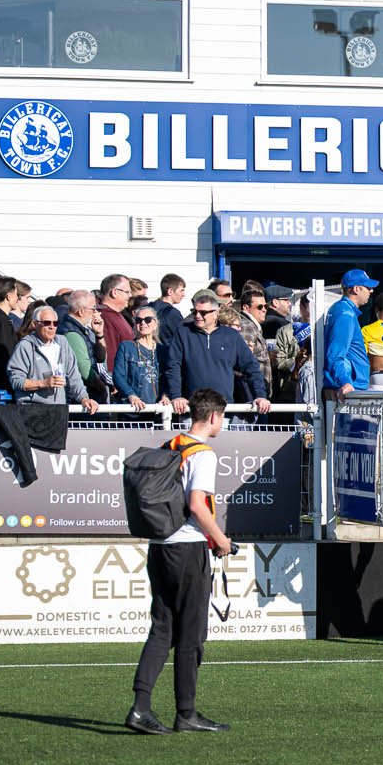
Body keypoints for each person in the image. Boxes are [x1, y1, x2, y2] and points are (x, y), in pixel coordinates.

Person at [128, 389, 238, 735]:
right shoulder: (202, 454)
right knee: (191, 634)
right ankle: (186, 712)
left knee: (162, 628)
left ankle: (140, 707)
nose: (223, 423)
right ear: (214, 417)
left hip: (160, 545)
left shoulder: (171, 445)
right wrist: (221, 540)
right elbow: (196, 505)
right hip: (187, 548)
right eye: (223, 417)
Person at [161, 291, 270, 409]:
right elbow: (173, 366)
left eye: (203, 313)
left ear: (215, 314)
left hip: (223, 406)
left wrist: (260, 395)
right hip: (192, 407)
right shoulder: (183, 332)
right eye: (194, 312)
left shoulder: (231, 335)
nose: (197, 316)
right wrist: (176, 396)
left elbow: (251, 367)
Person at [9, 305, 100, 412]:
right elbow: (16, 380)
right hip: (32, 409)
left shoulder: (63, 342)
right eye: (47, 323)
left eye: (55, 323)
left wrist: (84, 399)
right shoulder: (25, 346)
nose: (52, 327)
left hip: (59, 409)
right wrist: (43, 383)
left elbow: (74, 376)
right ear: (35, 324)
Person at [322, 269, 375, 397]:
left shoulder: (342, 310)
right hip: (347, 390)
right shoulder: (345, 313)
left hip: (348, 386)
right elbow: (335, 354)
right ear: (356, 289)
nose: (371, 291)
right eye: (368, 287)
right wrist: (345, 382)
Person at [112, 305, 166, 409]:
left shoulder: (163, 350)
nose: (143, 323)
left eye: (148, 320)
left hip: (158, 409)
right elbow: (118, 376)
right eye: (138, 320)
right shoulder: (127, 347)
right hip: (133, 409)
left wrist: (166, 395)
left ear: (156, 324)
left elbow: (170, 377)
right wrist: (131, 395)